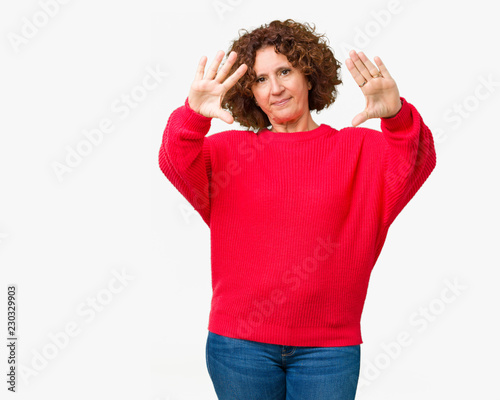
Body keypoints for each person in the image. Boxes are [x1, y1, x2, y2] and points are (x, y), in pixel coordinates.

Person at [158, 19, 436, 400]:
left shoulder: (359, 151)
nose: (274, 88)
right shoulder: (227, 155)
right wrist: (194, 113)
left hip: (328, 350)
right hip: (239, 346)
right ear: (249, 93)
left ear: (308, 75)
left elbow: (416, 160)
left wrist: (396, 115)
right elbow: (175, 159)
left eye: (285, 71)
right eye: (259, 79)